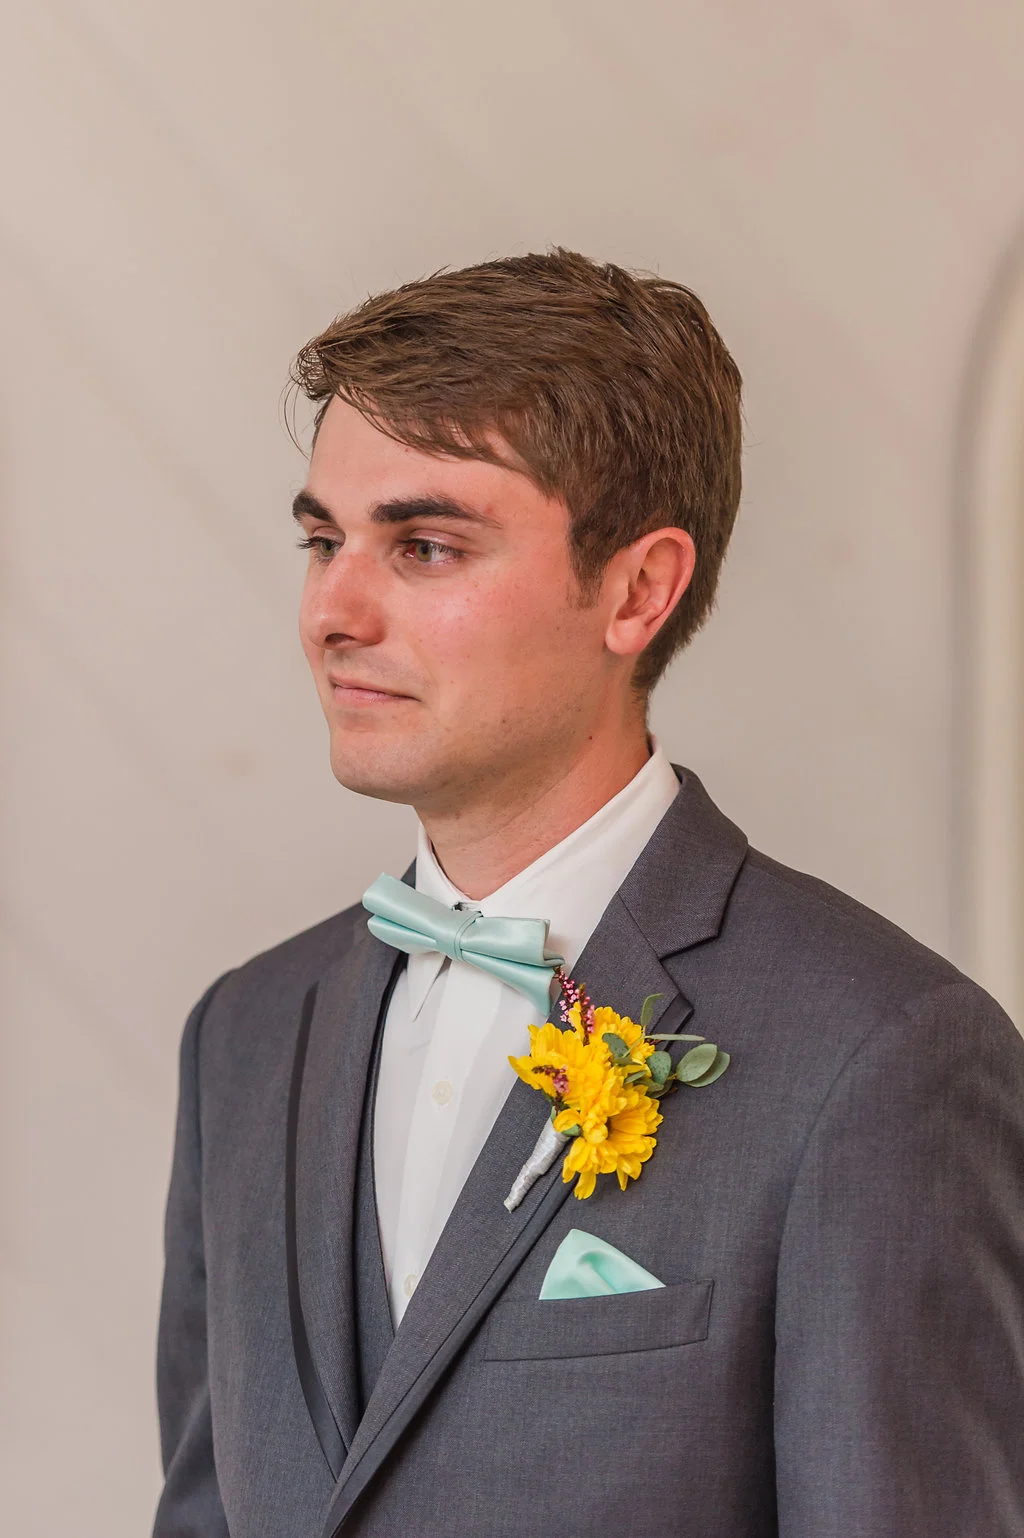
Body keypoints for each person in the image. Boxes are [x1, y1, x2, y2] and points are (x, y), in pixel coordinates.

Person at [153, 249, 1024, 1538]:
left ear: (636, 590)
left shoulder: (883, 1056)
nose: (332, 610)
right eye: (324, 540)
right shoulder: (245, 1034)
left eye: (425, 545)